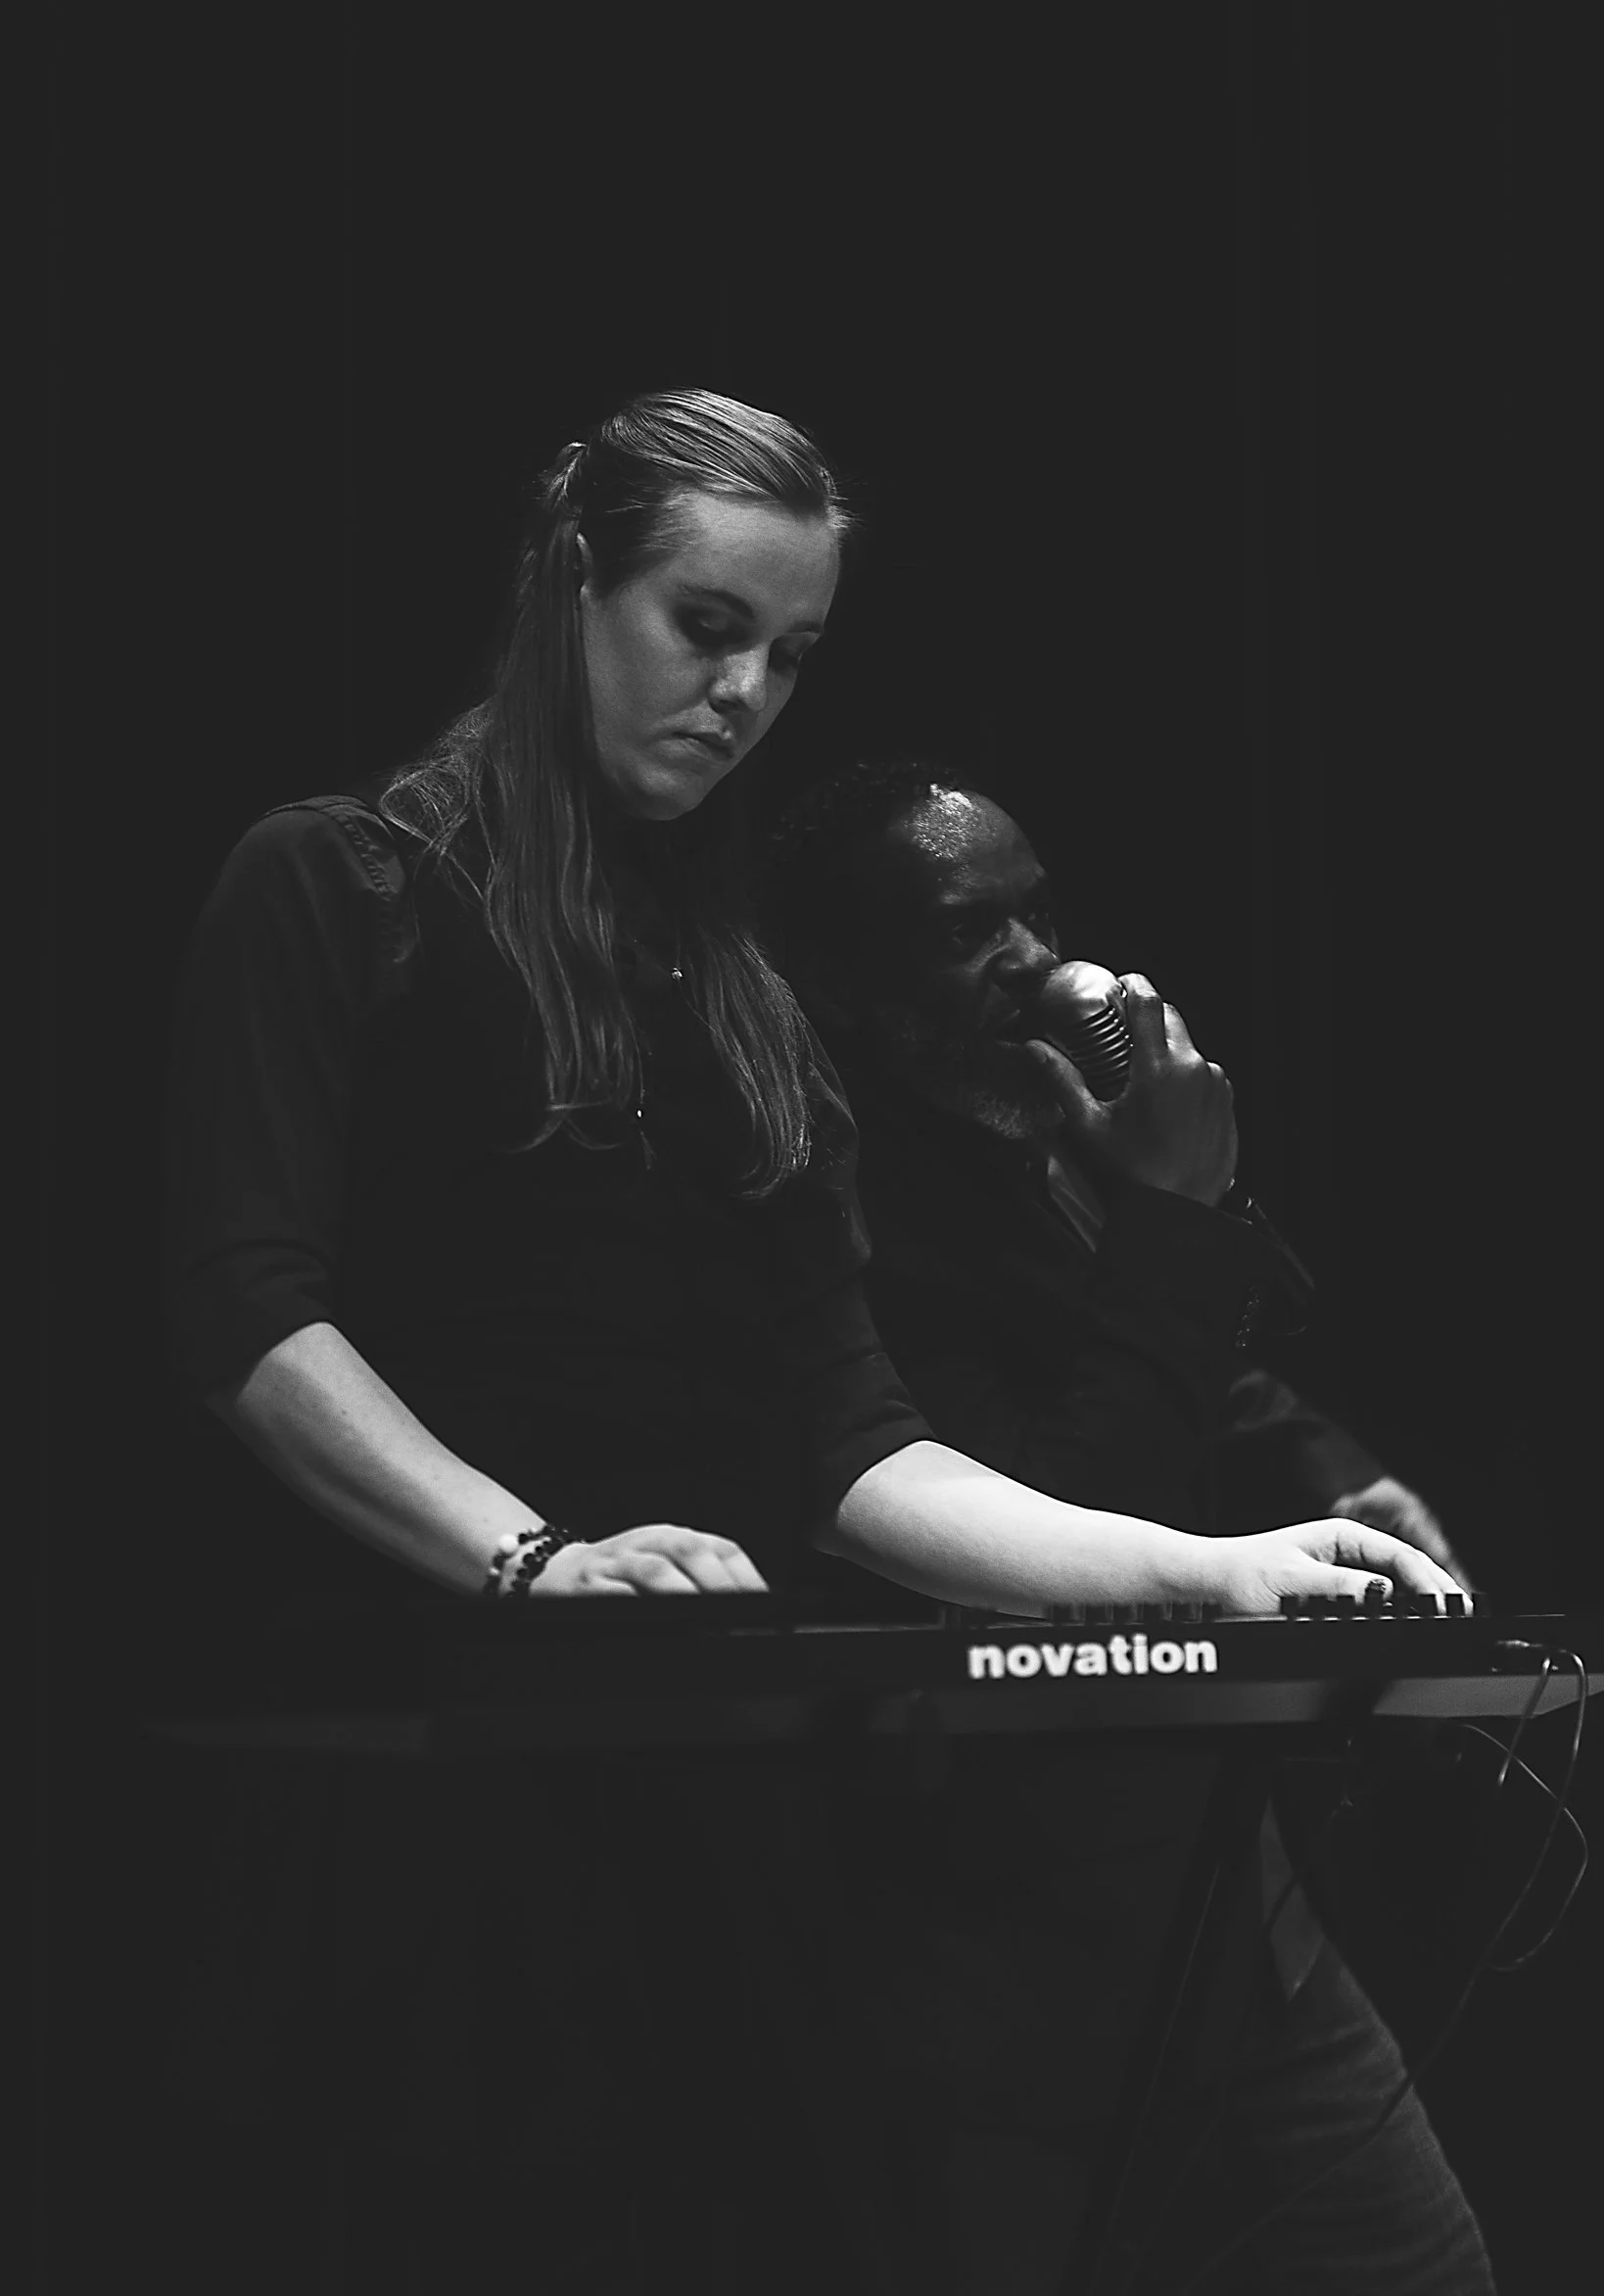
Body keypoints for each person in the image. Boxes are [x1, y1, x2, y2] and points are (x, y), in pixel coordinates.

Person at [157, 394, 1463, 2292]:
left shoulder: (738, 1004)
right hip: (414, 1816)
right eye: (707, 627)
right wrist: (529, 1556)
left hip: (695, 1832)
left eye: (790, 653)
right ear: (569, 583)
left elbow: (853, 1444)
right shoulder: (334, 882)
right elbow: (246, 1310)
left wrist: (1212, 1566)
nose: (747, 692)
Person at [765, 757, 1495, 2293]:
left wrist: (1331, 1470)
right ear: (838, 978)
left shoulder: (1034, 1133)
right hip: (1000, 1953)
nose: (1031, 960)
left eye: (1036, 914)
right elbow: (1063, 1516)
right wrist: (1167, 1212)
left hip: (1224, 1914)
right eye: (967, 932)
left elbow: (1200, 1364)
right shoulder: (839, 1205)